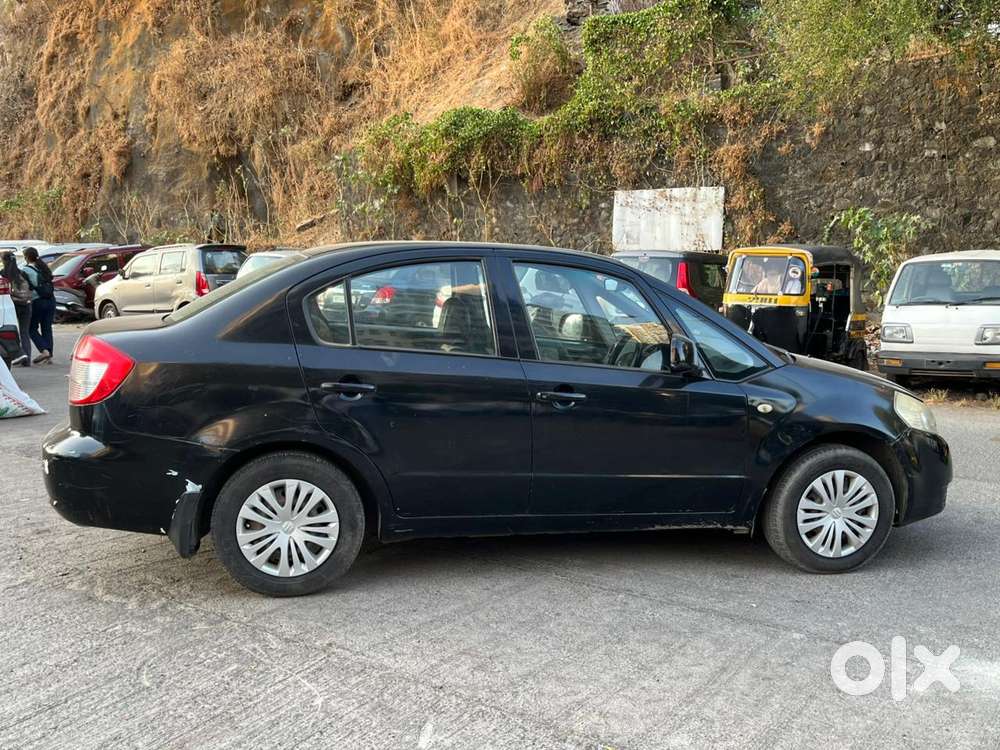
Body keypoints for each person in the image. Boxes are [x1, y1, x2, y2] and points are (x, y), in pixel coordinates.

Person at [21, 247, 55, 364]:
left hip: (37, 301)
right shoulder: (44, 267)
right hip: (51, 300)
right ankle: (49, 356)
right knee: (47, 327)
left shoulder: (25, 270)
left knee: (31, 328)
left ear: (26, 257)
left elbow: (24, 287)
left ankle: (44, 350)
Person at [1, 252, 33, 366]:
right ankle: (27, 359)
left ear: (4, 261)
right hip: (26, 304)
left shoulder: (3, 274)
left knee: (11, 332)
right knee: (25, 332)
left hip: (12, 305)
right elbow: (31, 287)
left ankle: (16, 355)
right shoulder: (23, 273)